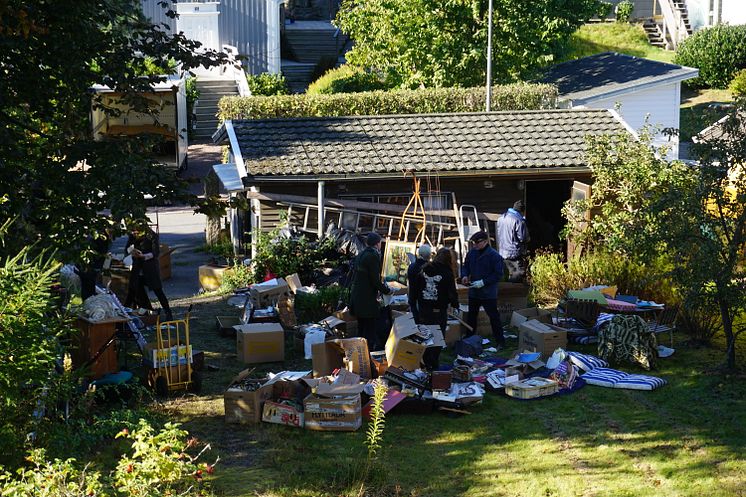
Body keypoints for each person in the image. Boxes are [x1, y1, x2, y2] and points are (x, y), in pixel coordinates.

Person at [460, 231, 505, 348]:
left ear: (485, 241)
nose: (475, 245)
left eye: (477, 243)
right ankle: (470, 337)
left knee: (493, 317)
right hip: (474, 291)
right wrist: (465, 275)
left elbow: (498, 274)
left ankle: (500, 341)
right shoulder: (472, 253)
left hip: (488, 293)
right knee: (471, 316)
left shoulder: (494, 256)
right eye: (473, 243)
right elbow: (465, 266)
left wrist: (484, 282)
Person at [349, 232, 391, 350]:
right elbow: (375, 280)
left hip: (358, 296)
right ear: (377, 244)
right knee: (369, 329)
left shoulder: (362, 254)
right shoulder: (373, 256)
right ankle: (367, 353)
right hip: (366, 299)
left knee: (361, 327)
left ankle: (358, 352)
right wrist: (387, 290)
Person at [124, 220, 173, 321]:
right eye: (133, 231)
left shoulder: (151, 235)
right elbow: (127, 249)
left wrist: (143, 256)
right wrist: (131, 251)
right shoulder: (133, 236)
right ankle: (128, 313)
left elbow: (155, 253)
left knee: (158, 290)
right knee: (133, 290)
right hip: (137, 267)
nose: (135, 233)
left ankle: (168, 312)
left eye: (137, 231)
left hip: (150, 268)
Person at [497, 200, 530, 282]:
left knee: (507, 274)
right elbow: (523, 238)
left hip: (502, 252)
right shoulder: (518, 220)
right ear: (521, 211)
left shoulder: (501, 218)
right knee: (519, 275)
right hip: (514, 253)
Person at [406, 244, 432, 323]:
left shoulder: (411, 266)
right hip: (425, 301)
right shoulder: (430, 268)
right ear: (429, 255)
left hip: (413, 297)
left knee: (415, 324)